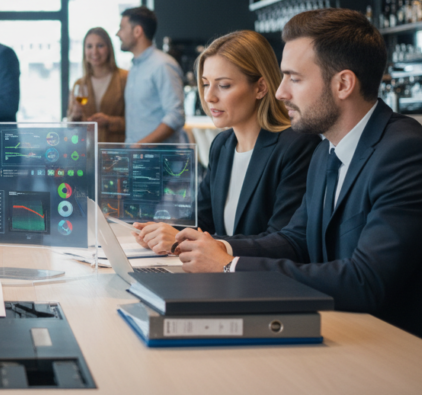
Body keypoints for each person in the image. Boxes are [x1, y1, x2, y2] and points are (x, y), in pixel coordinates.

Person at [170, 9, 422, 349]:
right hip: (357, 337)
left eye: (294, 79)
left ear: (343, 84)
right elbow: (295, 240)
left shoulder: (407, 154)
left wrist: (230, 267)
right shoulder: (326, 151)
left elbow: (365, 282)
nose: (280, 93)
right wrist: (220, 249)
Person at [132, 30, 318, 251]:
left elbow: (283, 240)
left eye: (224, 85)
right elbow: (202, 220)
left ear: (260, 87)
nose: (209, 97)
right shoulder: (223, 145)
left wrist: (205, 245)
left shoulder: (297, 146)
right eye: (206, 83)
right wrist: (160, 231)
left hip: (263, 281)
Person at [116, 7, 185, 143]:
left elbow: (176, 116)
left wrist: (141, 145)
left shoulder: (162, 65)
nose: (118, 34)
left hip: (158, 160)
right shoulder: (135, 67)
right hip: (139, 158)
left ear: (137, 31)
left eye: (122, 28)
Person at [67, 28, 127, 142]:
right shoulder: (79, 83)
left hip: (116, 149)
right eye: (89, 46)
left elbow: (136, 122)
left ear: (109, 48)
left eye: (100, 45)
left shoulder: (124, 78)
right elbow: (71, 127)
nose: (94, 52)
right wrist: (75, 116)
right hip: (87, 150)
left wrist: (109, 121)